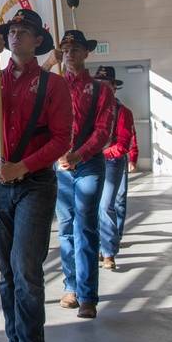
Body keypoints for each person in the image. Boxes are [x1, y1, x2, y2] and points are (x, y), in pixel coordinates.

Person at [0, 9, 72, 342]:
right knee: (6, 274)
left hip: (35, 183)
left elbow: (61, 138)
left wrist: (24, 166)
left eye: (24, 32)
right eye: (12, 30)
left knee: (26, 271)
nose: (16, 35)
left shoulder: (53, 85)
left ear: (38, 42)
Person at [43, 31, 115, 319]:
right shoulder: (53, 84)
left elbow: (103, 130)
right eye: (66, 49)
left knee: (85, 225)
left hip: (88, 163)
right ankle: (70, 285)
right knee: (65, 228)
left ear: (86, 53)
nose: (70, 53)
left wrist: (79, 154)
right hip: (60, 164)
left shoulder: (101, 90)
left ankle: (87, 294)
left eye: (76, 49)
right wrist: (47, 64)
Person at [93, 66, 135, 271]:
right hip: (89, 161)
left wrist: (98, 154)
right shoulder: (88, 110)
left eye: (106, 85)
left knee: (106, 205)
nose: (102, 88)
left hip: (111, 161)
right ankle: (96, 247)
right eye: (98, 84)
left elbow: (123, 145)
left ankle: (108, 251)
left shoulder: (123, 112)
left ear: (114, 88)